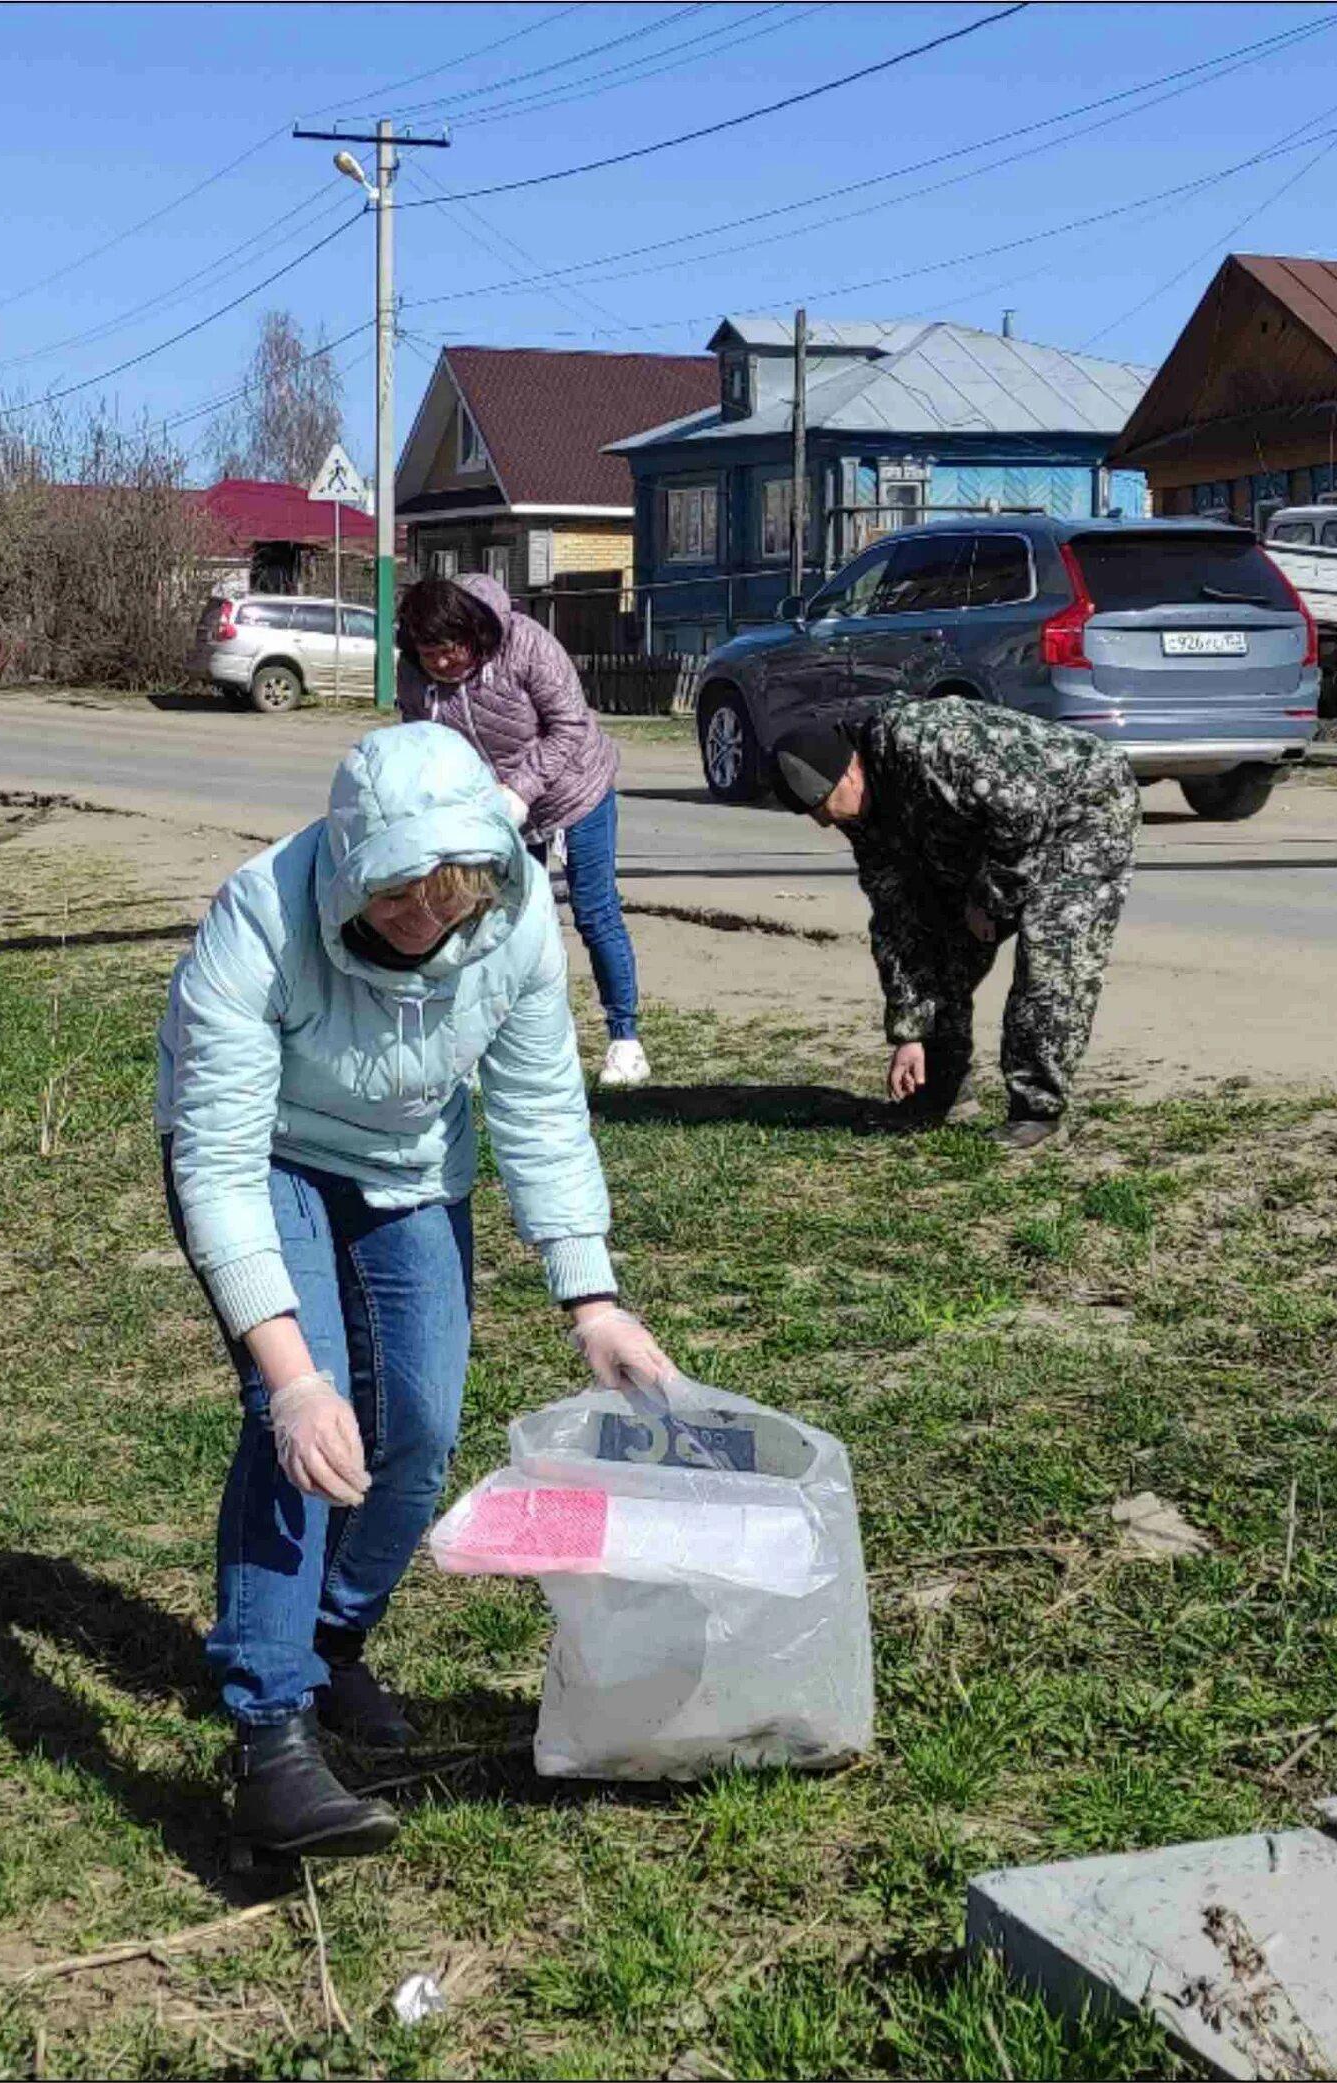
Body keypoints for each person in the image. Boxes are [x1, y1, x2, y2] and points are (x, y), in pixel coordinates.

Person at [157, 723, 681, 1860]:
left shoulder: (516, 917)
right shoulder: (260, 917)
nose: (426, 918)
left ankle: (333, 1642)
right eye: (399, 896)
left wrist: (589, 1295)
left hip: (407, 1168)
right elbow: (217, 1164)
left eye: (451, 896)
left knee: (421, 1425)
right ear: (349, 866)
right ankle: (269, 1730)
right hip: (269, 1161)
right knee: (305, 1422)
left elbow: (538, 1105)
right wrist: (290, 1379)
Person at [770, 702, 1139, 1150]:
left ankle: (1037, 1111)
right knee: (942, 942)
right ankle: (941, 1087)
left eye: (822, 806)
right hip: (992, 833)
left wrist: (989, 901)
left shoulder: (927, 743)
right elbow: (897, 919)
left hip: (1081, 807)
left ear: (849, 772)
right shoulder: (862, 814)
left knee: (1051, 960)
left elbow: (1023, 815)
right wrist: (910, 1033)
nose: (823, 821)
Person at [396, 573, 650, 1090]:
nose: (442, 664)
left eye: (450, 650)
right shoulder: (415, 676)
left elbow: (570, 725)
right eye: (429, 654)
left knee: (595, 910)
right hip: (495, 810)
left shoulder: (527, 642)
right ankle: (503, 1040)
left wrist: (521, 789)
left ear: (474, 633)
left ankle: (626, 1039)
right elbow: (418, 743)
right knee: (501, 922)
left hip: (575, 789)